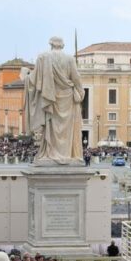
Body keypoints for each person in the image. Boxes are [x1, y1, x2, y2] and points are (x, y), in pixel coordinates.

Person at [25, 37, 85, 165]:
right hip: (68, 98)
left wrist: (26, 76)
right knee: (67, 130)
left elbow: (34, 80)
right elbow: (76, 77)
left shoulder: (43, 58)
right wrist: (80, 92)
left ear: (51, 44)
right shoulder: (69, 59)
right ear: (62, 45)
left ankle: (49, 153)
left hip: (50, 98)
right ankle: (68, 154)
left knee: (51, 127)